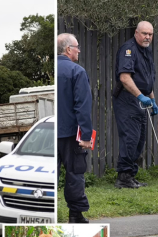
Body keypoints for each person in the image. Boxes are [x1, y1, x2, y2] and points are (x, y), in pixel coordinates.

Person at [113, 21, 158, 189]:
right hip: (127, 98)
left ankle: (131, 175)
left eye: (150, 34)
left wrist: (152, 99)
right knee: (130, 138)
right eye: (144, 33)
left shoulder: (147, 51)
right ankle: (123, 177)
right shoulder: (128, 49)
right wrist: (141, 96)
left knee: (139, 139)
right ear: (136, 33)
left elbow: (147, 79)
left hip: (141, 98)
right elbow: (125, 78)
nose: (147, 37)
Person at [57, 33, 93, 223]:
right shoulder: (76, 71)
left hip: (51, 135)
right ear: (68, 49)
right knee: (75, 173)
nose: (79, 50)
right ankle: (75, 215)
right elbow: (83, 106)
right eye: (77, 46)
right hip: (71, 134)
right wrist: (86, 136)